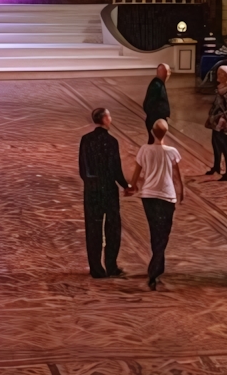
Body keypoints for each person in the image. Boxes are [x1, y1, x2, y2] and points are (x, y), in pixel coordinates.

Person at [130, 118, 183, 290]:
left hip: (149, 196)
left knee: (155, 229)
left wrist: (131, 187)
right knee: (164, 232)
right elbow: (177, 175)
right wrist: (182, 191)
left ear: (152, 132)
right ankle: (155, 269)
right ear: (166, 133)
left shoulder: (144, 150)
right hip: (167, 197)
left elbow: (136, 172)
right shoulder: (172, 152)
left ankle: (157, 266)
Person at [78, 107, 131, 278]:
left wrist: (90, 182)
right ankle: (111, 265)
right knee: (113, 228)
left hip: (92, 190)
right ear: (106, 119)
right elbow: (116, 169)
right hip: (108, 189)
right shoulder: (112, 141)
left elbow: (82, 168)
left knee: (93, 229)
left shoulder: (85, 140)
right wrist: (126, 185)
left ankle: (96, 269)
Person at [205, 65, 227, 181]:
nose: (218, 76)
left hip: (225, 124)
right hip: (216, 122)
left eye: (221, 74)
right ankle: (217, 167)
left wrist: (222, 120)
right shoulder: (220, 88)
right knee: (215, 144)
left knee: (225, 147)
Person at [142, 64, 170, 144]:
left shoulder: (157, 83)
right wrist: (157, 119)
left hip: (154, 119)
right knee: (155, 143)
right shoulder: (157, 85)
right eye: (168, 72)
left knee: (155, 143)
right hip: (155, 121)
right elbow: (149, 104)